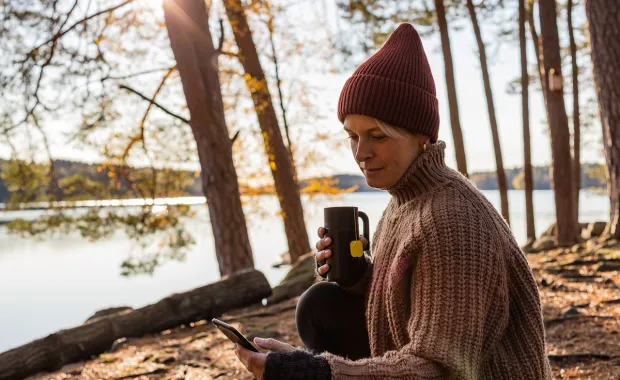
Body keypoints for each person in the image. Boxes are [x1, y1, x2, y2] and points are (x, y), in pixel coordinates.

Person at [234, 23, 552, 379]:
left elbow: (441, 369)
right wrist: (358, 277)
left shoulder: (454, 220)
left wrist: (316, 374)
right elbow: (415, 298)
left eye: (377, 136)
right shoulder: (405, 200)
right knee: (321, 304)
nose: (361, 153)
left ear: (421, 137)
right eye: (352, 136)